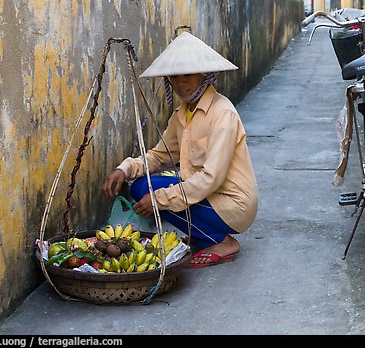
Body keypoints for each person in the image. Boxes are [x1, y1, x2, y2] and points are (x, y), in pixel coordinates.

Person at [102, 31, 258, 268]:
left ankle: (223, 242)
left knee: (155, 197)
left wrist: (160, 200)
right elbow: (159, 156)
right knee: (141, 187)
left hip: (232, 203)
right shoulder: (182, 114)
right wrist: (125, 168)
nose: (181, 83)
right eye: (175, 77)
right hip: (206, 194)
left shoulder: (222, 113)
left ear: (203, 75)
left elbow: (210, 178)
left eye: (188, 75)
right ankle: (202, 234)